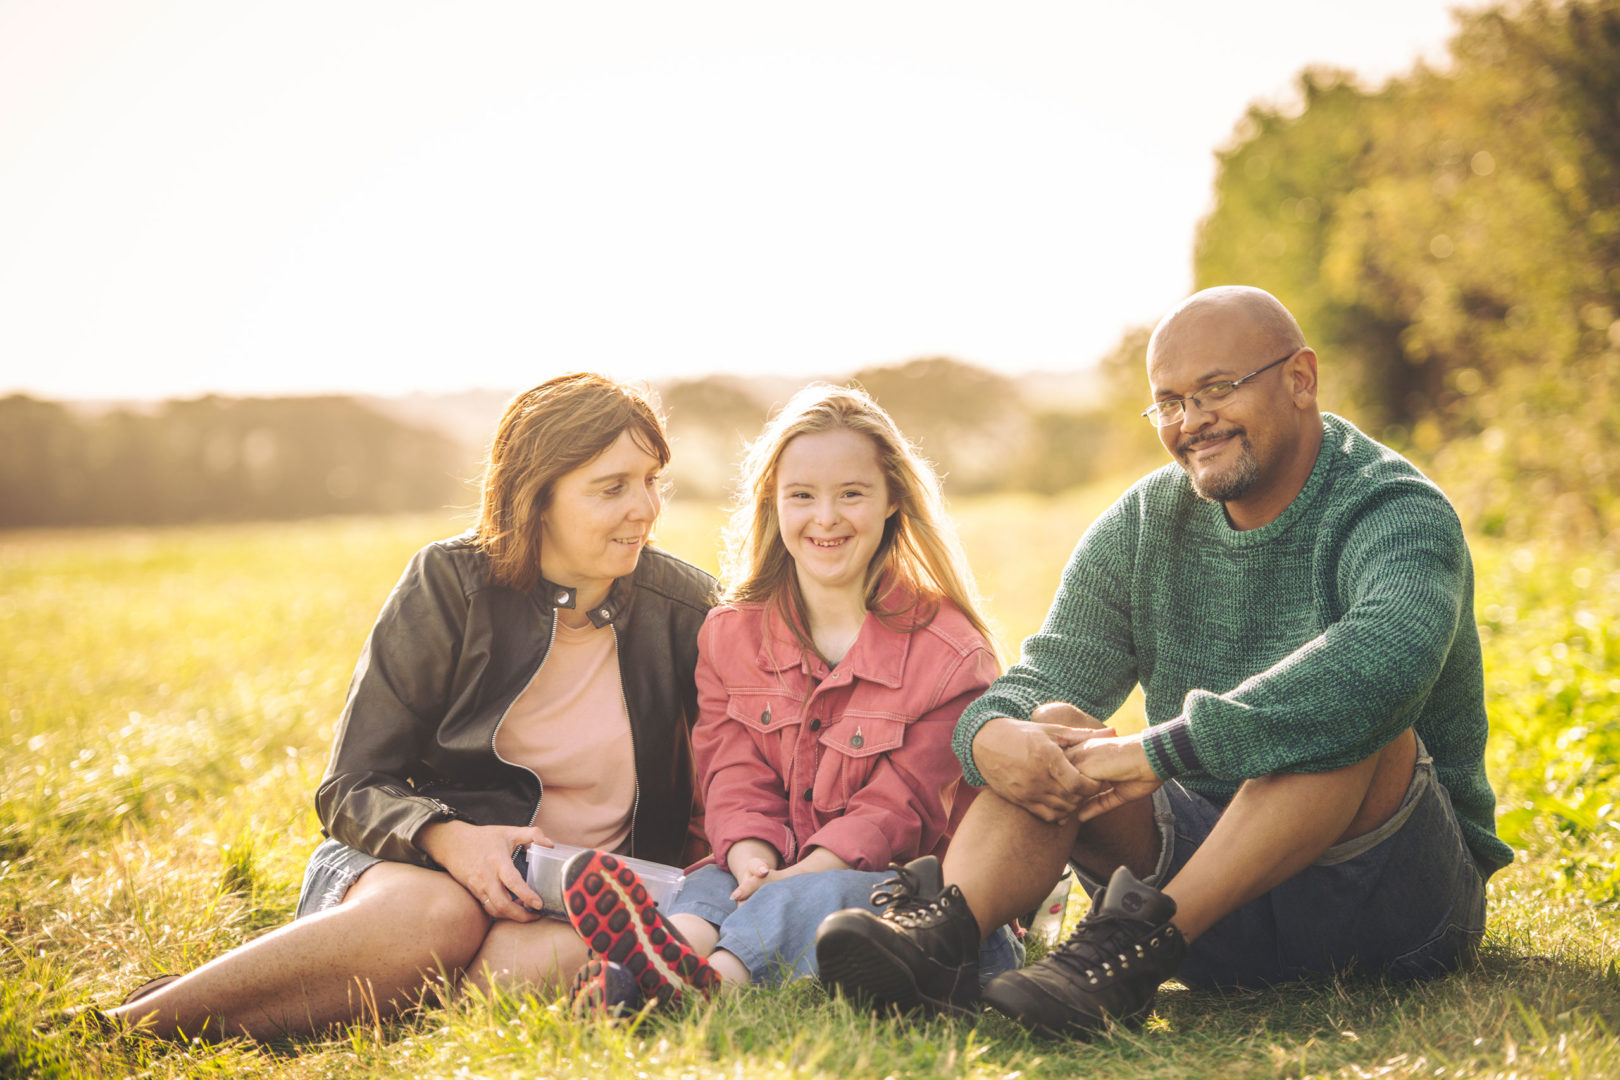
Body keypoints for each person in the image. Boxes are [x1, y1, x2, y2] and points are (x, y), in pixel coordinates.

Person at [816, 286, 1513, 1036]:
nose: (1192, 422)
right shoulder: (1145, 522)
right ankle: (944, 940)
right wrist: (988, 733)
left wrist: (1155, 753)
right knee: (1053, 724)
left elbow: (1385, 661)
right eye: (1170, 403)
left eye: (1217, 390)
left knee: (1344, 721)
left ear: (1300, 380)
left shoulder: (1393, 508)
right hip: (1215, 900)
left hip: (1391, 904)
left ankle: (1130, 949)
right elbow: (1042, 679)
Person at [107, 373, 718, 1040]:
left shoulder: (686, 610)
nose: (646, 508)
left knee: (519, 970)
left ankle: (323, 987)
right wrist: (449, 838)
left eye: (652, 480)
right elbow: (350, 785)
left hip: (576, 903)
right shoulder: (448, 583)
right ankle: (121, 1029)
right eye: (613, 487)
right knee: (438, 922)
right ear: (536, 495)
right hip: (416, 868)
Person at [564, 384, 1020, 1012]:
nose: (825, 518)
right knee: (716, 882)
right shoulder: (731, 635)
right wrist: (752, 857)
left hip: (915, 904)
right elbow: (732, 770)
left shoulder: (950, 653)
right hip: (774, 866)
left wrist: (785, 880)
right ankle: (652, 966)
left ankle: (706, 986)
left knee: (806, 897)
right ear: (773, 504)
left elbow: (901, 810)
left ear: (892, 501)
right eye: (802, 496)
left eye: (851, 494)